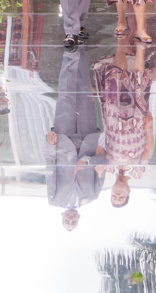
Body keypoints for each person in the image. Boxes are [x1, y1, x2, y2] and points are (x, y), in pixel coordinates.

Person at [91, 33, 156, 207]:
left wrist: (97, 162)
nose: (117, 195)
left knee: (116, 80)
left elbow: (100, 147)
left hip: (113, 119)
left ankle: (121, 39)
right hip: (137, 123)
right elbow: (148, 150)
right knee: (137, 85)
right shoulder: (137, 173)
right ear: (128, 192)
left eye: (114, 196)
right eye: (121, 197)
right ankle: (140, 48)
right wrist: (149, 128)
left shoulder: (108, 168)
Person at [45, 44, 104, 230]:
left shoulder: (55, 199)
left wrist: (50, 145)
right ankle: (81, 48)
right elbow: (103, 163)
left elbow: (50, 168)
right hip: (87, 138)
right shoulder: (92, 195)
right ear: (79, 218)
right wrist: (87, 161)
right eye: (73, 222)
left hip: (64, 139)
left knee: (66, 95)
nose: (70, 219)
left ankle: (70, 52)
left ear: (62, 217)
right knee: (84, 91)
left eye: (67, 221)